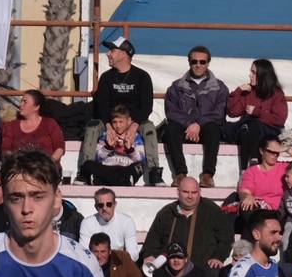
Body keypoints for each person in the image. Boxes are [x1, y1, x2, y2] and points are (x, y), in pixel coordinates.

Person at [82, 36, 161, 185]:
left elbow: (146, 106)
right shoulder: (106, 77)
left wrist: (134, 125)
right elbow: (102, 104)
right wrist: (108, 125)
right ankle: (85, 170)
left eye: (112, 50)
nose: (108, 54)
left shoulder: (142, 77)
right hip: (109, 120)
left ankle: (154, 171)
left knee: (149, 128)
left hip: (134, 120)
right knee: (92, 127)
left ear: (124, 54)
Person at [140, 176, 232, 277]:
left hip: (201, 269)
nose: (190, 196)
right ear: (178, 192)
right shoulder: (166, 213)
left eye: (194, 192)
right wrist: (149, 256)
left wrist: (218, 257)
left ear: (199, 192)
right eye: (185, 192)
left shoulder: (212, 211)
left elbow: (226, 237)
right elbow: (153, 240)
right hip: (169, 268)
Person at [161, 46, 229, 187]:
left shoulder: (219, 87)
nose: (198, 65)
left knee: (213, 128)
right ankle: (180, 174)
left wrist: (198, 124)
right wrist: (190, 124)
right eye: (194, 61)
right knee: (171, 128)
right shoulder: (176, 86)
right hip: (184, 129)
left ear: (208, 63)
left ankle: (208, 175)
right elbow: (171, 111)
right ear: (189, 62)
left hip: (207, 129)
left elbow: (220, 112)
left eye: (202, 62)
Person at [226, 58, 287, 170]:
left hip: (269, 132)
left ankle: (250, 164)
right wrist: (238, 91)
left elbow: (279, 119)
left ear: (262, 75)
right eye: (251, 72)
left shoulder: (276, 94)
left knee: (252, 125)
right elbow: (232, 112)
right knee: (246, 128)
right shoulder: (249, 92)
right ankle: (246, 169)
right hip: (248, 131)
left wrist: (257, 113)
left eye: (253, 72)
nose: (250, 75)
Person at [238, 136, 292, 214]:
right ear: (261, 151)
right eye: (271, 152)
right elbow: (244, 192)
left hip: (281, 211)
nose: (275, 155)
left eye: (277, 152)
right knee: (246, 206)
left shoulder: (285, 168)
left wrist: (288, 149)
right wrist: (247, 197)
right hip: (260, 210)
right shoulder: (252, 171)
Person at [79, 105, 145, 186]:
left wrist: (130, 149)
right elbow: (97, 157)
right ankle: (122, 181)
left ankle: (102, 180)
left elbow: (140, 159)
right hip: (108, 167)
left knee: (140, 166)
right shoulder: (106, 136)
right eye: (114, 122)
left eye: (121, 122)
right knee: (88, 164)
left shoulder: (135, 136)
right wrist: (108, 148)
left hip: (125, 168)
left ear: (129, 121)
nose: (117, 126)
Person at [0, 90, 65, 164]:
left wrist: (48, 164)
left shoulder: (49, 124)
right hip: (19, 169)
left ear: (36, 107)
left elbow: (59, 148)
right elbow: (6, 150)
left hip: (45, 169)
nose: (21, 104)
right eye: (21, 101)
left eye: (25, 102)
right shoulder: (12, 126)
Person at [79, 189, 139, 260]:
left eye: (109, 204)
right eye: (101, 205)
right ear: (96, 207)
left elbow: (133, 255)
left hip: (119, 264)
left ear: (115, 204)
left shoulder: (126, 222)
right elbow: (84, 253)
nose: (104, 208)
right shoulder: (87, 223)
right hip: (96, 263)